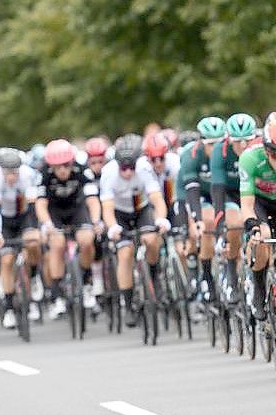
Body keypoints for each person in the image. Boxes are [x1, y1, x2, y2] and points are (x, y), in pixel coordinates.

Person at [102, 134, 171, 327]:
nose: (127, 173)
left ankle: (154, 273)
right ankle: (129, 302)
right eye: (123, 168)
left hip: (141, 210)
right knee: (125, 254)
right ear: (117, 165)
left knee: (152, 239)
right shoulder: (108, 174)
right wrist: (112, 227)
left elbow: (157, 200)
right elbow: (107, 209)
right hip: (120, 213)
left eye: (131, 167)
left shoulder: (144, 168)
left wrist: (161, 219)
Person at [35, 139, 103, 320]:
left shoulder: (82, 171)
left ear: (71, 162)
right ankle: (57, 296)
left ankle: (87, 282)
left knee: (87, 240)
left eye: (66, 165)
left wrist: (96, 220)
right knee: (57, 243)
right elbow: (40, 205)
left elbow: (92, 200)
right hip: (54, 212)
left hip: (76, 210)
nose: (63, 170)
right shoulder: (43, 174)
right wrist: (47, 224)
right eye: (58, 167)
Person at [240, 120, 276, 311]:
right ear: (265, 150)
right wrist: (252, 226)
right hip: (261, 204)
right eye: (275, 155)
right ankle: (259, 288)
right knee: (264, 236)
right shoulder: (249, 158)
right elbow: (246, 204)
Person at [0, 148, 42, 328]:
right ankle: (9, 307)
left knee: (33, 243)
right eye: (8, 173)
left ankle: (34, 278)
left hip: (23, 216)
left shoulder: (27, 175)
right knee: (7, 260)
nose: (11, 177)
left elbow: (34, 206)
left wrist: (34, 228)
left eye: (14, 173)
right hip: (4, 220)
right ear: (1, 171)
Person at [211, 113, 258, 292]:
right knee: (235, 224)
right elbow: (217, 190)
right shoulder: (219, 151)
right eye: (237, 141)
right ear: (229, 139)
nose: (243, 145)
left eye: (247, 139)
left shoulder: (259, 148)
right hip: (230, 194)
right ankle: (231, 268)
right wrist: (220, 227)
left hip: (253, 193)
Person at [180, 116, 226, 299]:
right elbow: (191, 191)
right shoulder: (190, 155)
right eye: (210, 144)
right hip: (196, 193)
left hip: (221, 191)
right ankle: (205, 273)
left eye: (219, 143)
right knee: (205, 223)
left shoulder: (227, 152)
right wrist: (197, 220)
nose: (214, 148)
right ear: (200, 142)